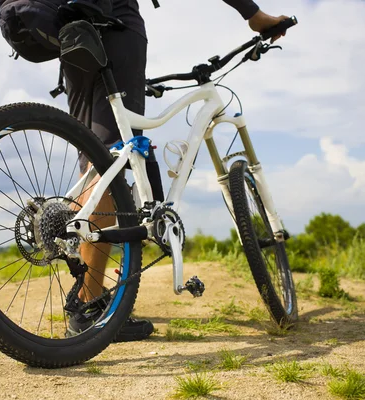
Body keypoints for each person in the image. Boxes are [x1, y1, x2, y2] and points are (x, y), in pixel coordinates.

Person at [64, 0, 290, 341]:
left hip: (70, 30)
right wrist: (253, 14)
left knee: (97, 162)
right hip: (113, 23)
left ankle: (88, 286)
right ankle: (91, 308)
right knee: (112, 165)